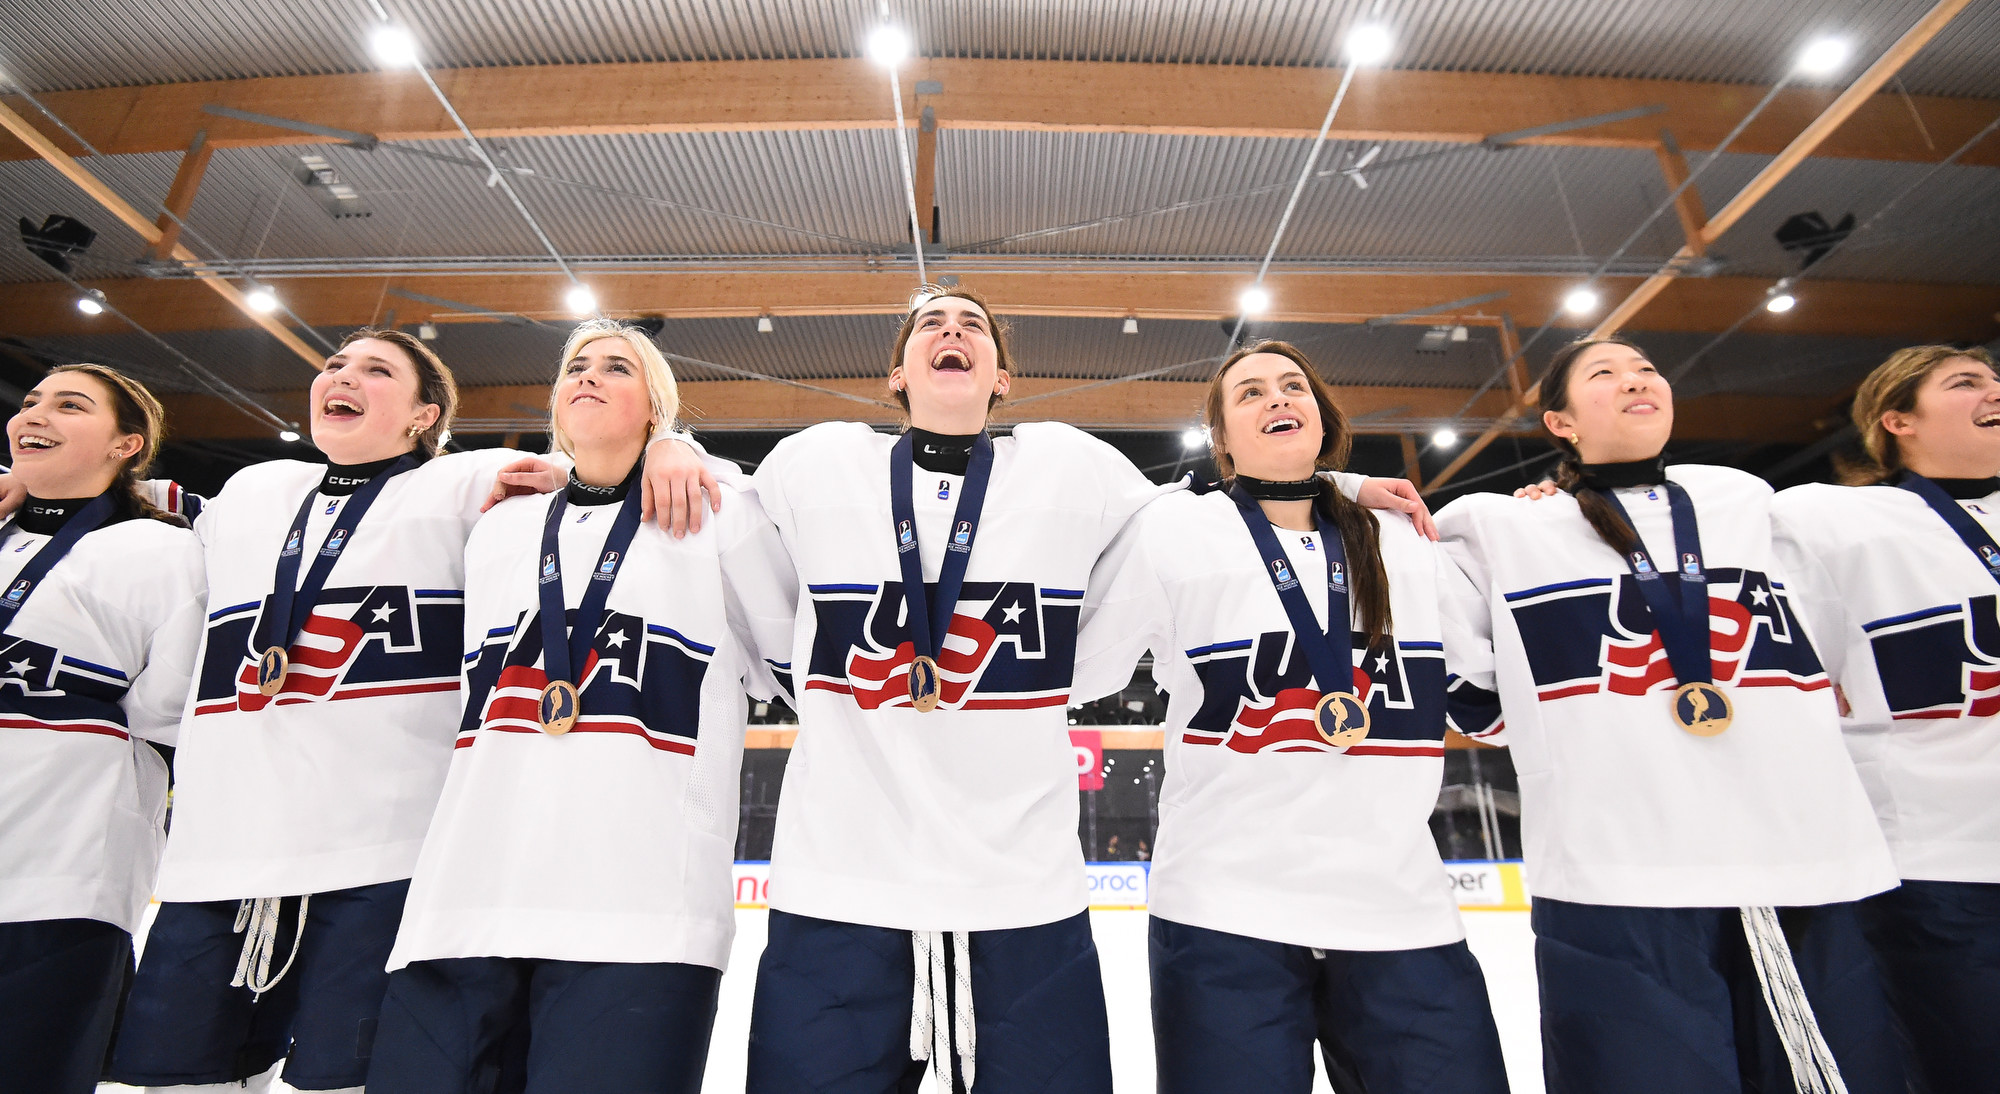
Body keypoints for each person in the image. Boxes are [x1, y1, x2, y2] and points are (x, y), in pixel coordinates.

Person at [742, 285, 1431, 1093]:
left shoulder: (1069, 464)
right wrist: (654, 451)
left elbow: (1217, 510)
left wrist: (1336, 488)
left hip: (1025, 895)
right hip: (839, 886)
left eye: (973, 327)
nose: (952, 331)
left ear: (1002, 377)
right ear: (898, 374)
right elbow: (709, 515)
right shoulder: (815, 461)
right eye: (932, 324)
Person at [102, 328, 714, 1094]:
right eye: (334, 364)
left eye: (376, 370)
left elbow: (587, 465)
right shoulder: (253, 492)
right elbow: (133, 506)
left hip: (380, 857)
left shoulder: (461, 486)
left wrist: (673, 444)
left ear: (426, 417)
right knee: (173, 1079)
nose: (342, 376)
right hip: (220, 851)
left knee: (343, 1079)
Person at [1434, 337, 1904, 1094]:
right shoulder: (1501, 527)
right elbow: (1462, 682)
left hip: (1790, 856)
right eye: (1605, 374)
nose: (1636, 381)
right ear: (1560, 422)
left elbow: (1825, 652)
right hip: (1613, 871)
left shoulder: (1744, 500)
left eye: (1648, 368)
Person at [367, 320, 793, 1093]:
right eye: (576, 368)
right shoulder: (501, 525)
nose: (589, 377)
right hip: (467, 897)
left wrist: (691, 455)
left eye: (617, 368)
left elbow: (792, 663)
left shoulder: (716, 515)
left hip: (637, 907)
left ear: (658, 408)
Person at [1076, 341, 1508, 1094]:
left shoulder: (1406, 539)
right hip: (1222, 911)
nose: (1276, 399)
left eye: (1291, 387)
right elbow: (1079, 665)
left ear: (1321, 414)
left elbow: (1497, 676)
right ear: (1221, 442)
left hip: (1399, 911)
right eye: (1249, 394)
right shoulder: (1175, 532)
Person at [1769, 344, 2000, 1094]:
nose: (1994, 390)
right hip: (1941, 867)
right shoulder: (1835, 518)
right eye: (1967, 382)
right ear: (1896, 420)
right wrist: (1568, 497)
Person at [0, 365, 205, 1094]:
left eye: (69, 405)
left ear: (127, 445)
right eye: (29, 402)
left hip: (63, 872)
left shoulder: (162, 552)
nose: (35, 415)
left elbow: (165, 704)